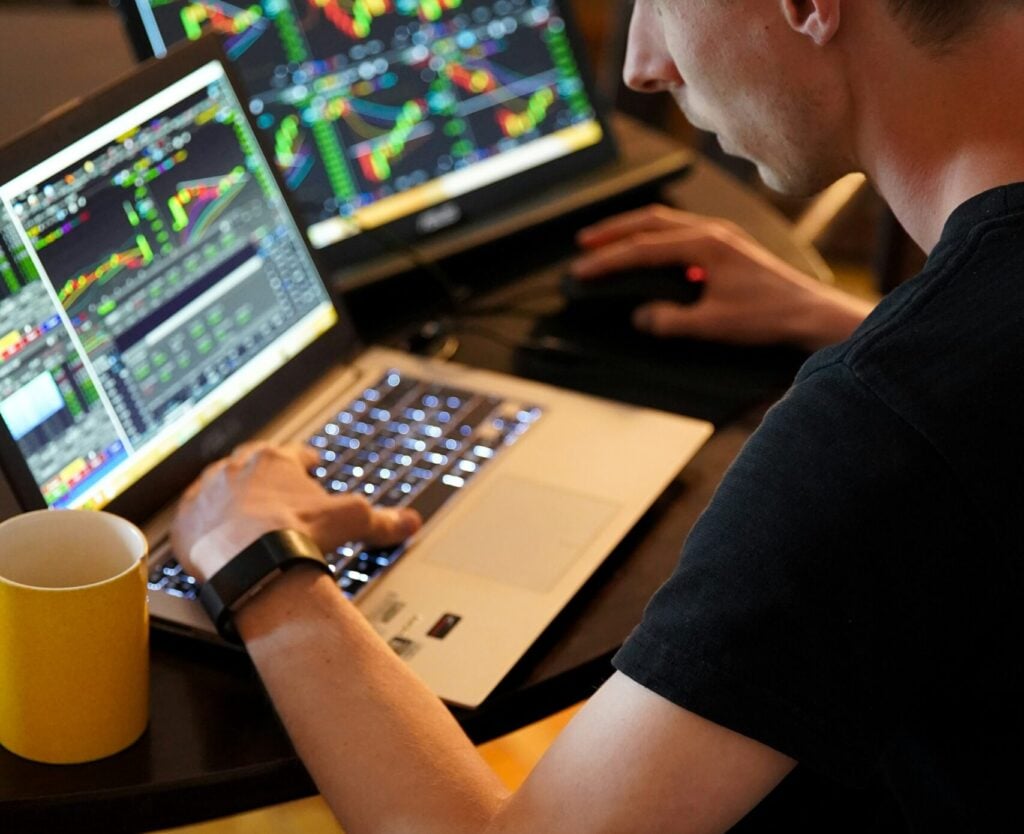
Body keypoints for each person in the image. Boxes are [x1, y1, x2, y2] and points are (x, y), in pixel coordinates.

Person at [172, 1, 1024, 830]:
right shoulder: (946, 382)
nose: (641, 65)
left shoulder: (875, 437)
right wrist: (851, 322)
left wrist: (263, 570)